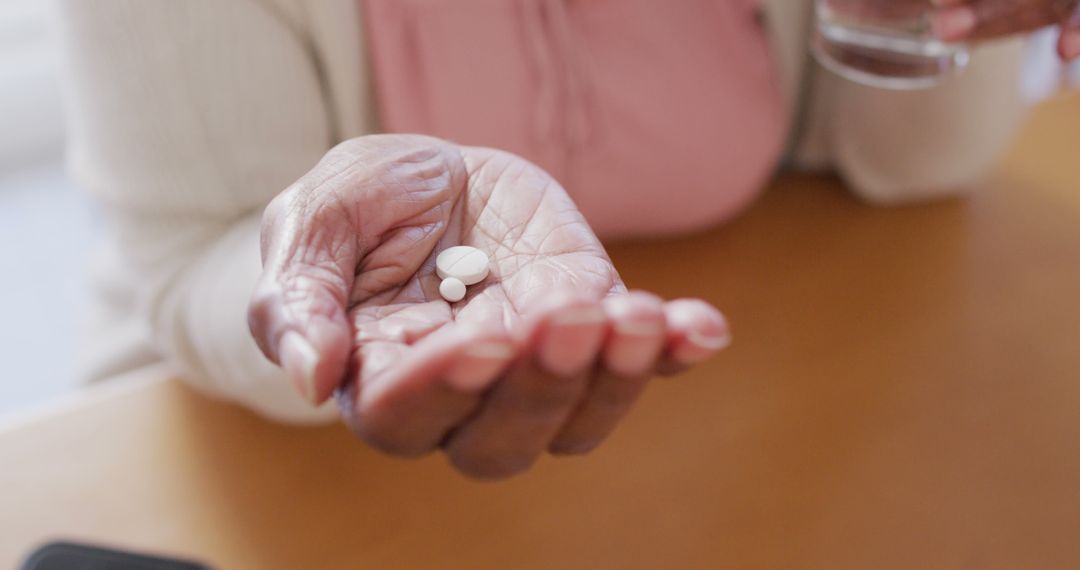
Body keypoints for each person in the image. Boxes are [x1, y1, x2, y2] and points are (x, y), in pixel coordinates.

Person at [55, 0, 1078, 479]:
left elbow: (904, 166)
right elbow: (196, 257)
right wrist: (333, 282)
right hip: (238, 460)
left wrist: (941, 18)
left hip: (726, 440)